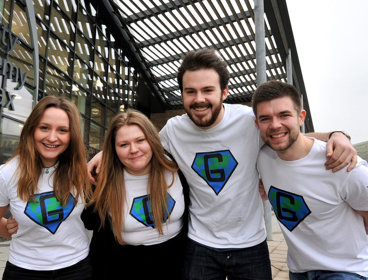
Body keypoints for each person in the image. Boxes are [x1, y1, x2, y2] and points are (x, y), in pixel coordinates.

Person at [87, 49, 357, 280]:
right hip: (200, 244)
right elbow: (137, 145)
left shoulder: (248, 121)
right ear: (182, 94)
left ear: (224, 92)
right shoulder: (172, 130)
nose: (199, 98)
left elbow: (290, 136)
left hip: (250, 243)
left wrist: (336, 135)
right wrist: (106, 154)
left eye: (207, 90)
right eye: (190, 91)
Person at [253, 80, 368, 280]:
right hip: (298, 270)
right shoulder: (263, 157)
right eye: (265, 118)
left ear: (301, 117)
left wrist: (337, 135)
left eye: (284, 115)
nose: (275, 125)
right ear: (257, 124)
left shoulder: (343, 164)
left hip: (345, 271)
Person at [81, 109, 187, 279]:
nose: (133, 149)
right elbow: (89, 221)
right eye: (123, 144)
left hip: (175, 265)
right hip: (121, 267)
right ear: (113, 149)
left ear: (152, 140)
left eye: (140, 140)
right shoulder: (103, 178)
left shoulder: (176, 166)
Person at [0, 96, 92, 280]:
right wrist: (4, 228)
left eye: (62, 130)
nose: (52, 137)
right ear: (31, 129)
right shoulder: (7, 173)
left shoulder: (82, 171)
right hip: (24, 269)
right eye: (44, 127)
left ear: (71, 135)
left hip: (77, 268)